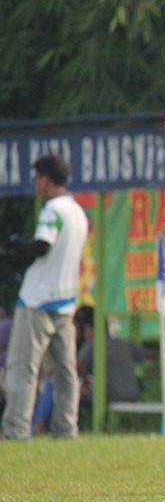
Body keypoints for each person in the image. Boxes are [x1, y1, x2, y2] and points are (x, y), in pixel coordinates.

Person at [2, 154, 90, 440]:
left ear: (45, 179)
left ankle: (16, 430)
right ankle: (66, 429)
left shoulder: (53, 209)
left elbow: (41, 245)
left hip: (36, 301)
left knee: (23, 368)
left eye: (36, 179)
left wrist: (18, 247)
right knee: (65, 372)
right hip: (65, 303)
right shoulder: (77, 212)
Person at [74, 306, 145, 410]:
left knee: (71, 388)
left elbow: (77, 364)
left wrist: (85, 383)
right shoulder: (123, 343)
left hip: (112, 395)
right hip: (134, 394)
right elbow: (147, 354)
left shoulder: (92, 344)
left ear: (89, 330)